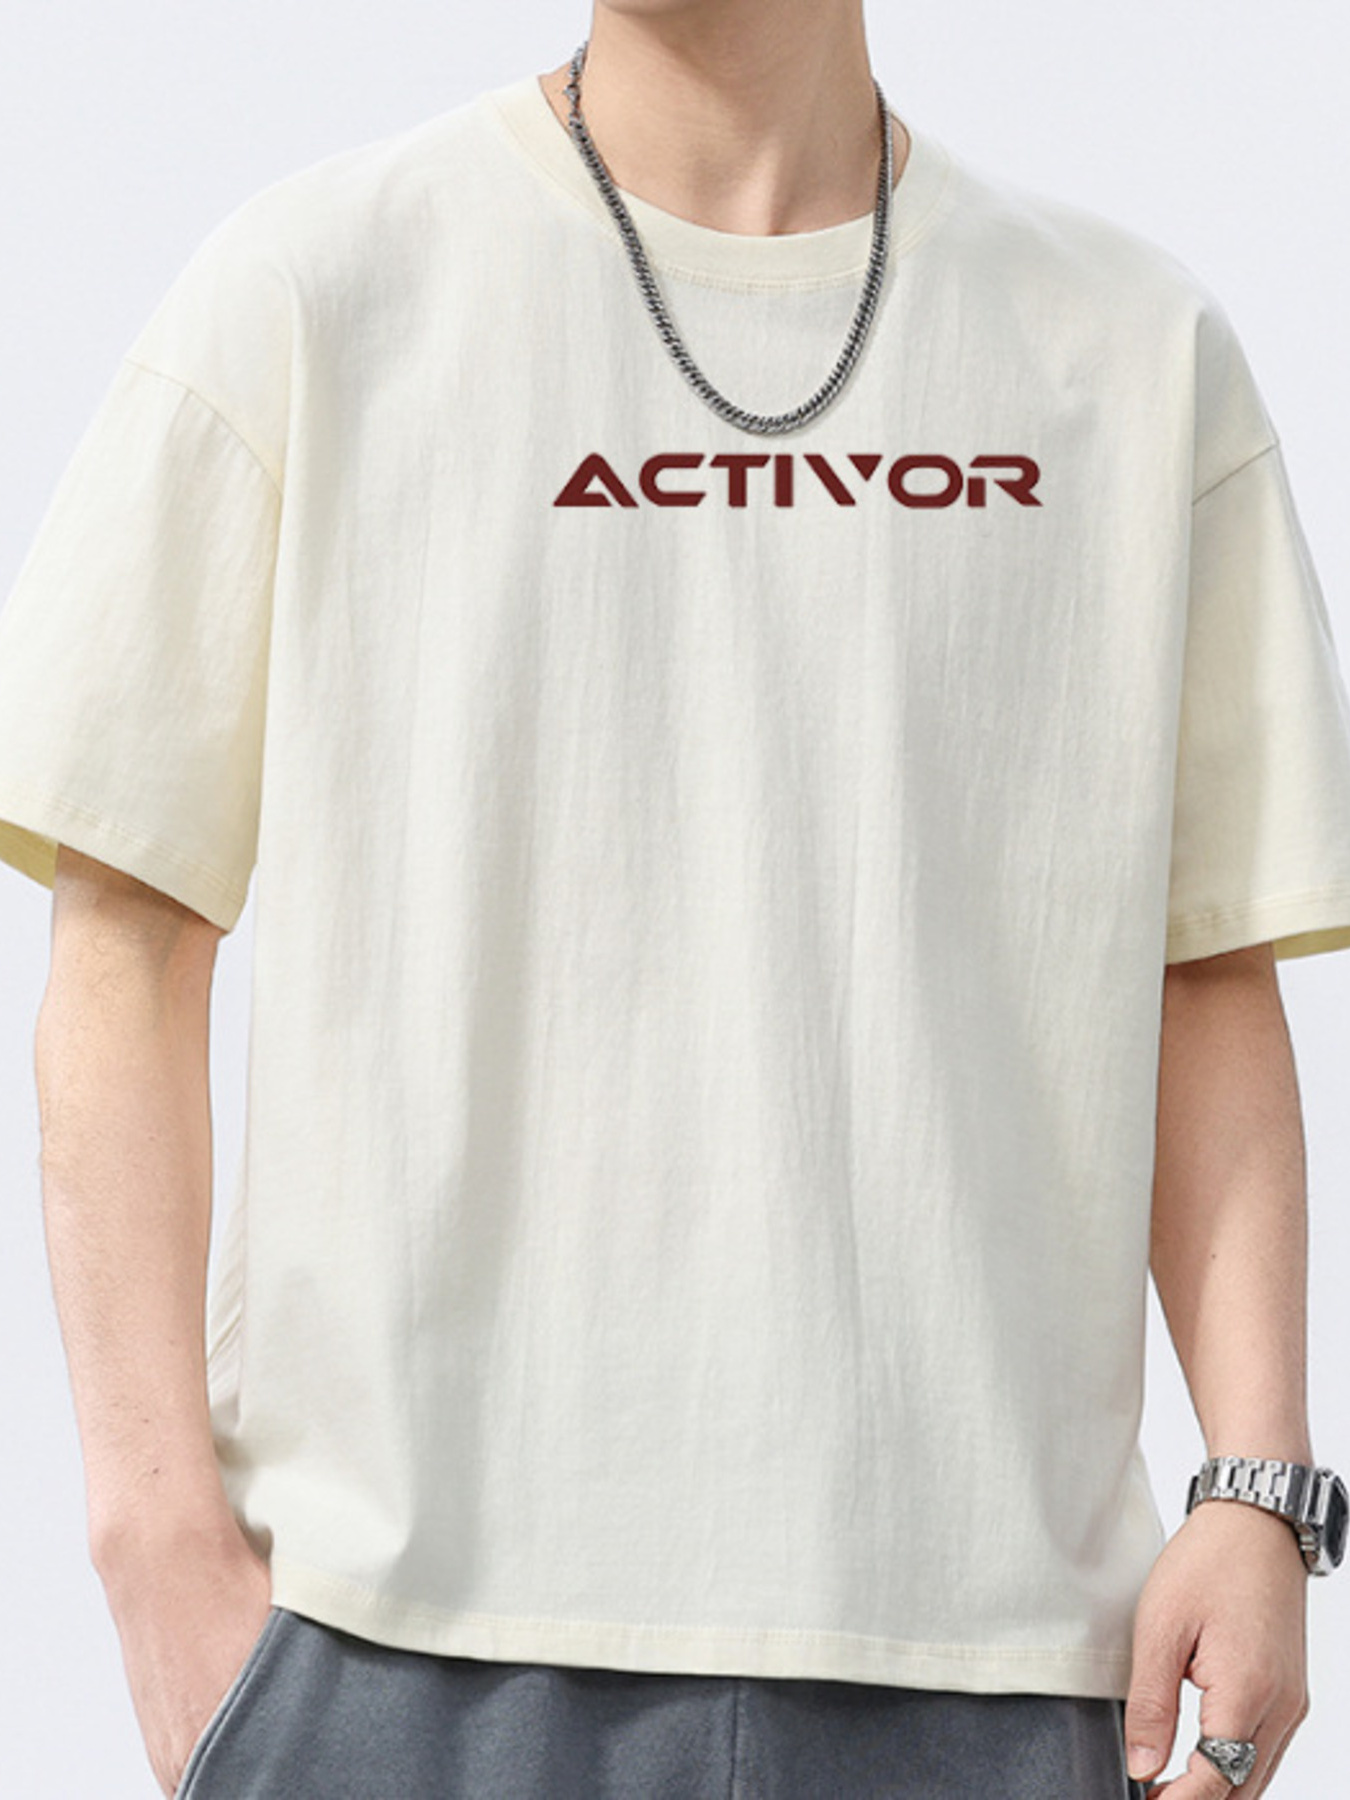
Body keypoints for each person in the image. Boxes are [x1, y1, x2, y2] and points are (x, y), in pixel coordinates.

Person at [0, 2, 1347, 1795]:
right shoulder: (314, 293)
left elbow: (1197, 967)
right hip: (395, 1645)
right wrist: (153, 1537)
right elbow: (129, 936)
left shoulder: (1129, 352)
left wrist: (1255, 1487)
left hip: (990, 1653)